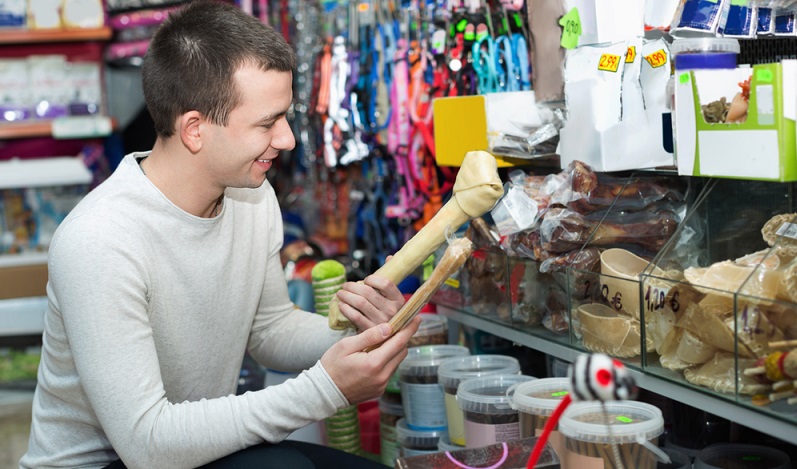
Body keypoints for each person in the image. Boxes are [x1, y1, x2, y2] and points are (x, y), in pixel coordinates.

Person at [20, 2, 421, 468]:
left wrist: (357, 334)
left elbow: (270, 329)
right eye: (268, 123)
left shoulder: (251, 196)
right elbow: (147, 444)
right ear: (194, 129)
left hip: (191, 449)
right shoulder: (100, 240)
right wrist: (326, 389)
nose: (288, 139)